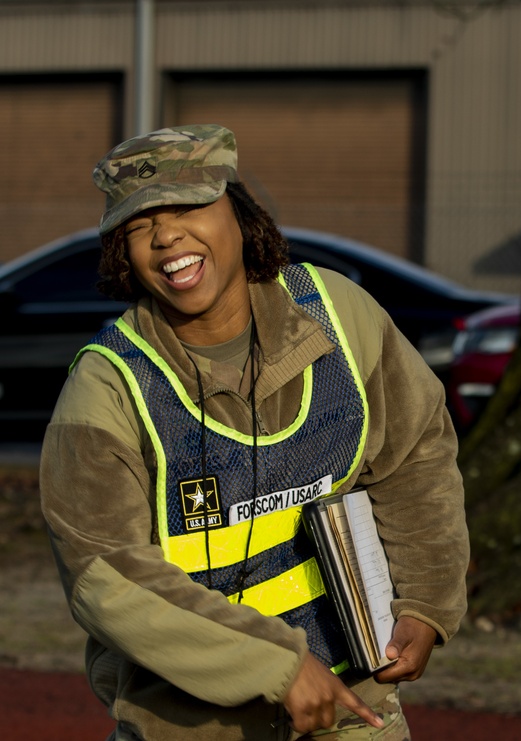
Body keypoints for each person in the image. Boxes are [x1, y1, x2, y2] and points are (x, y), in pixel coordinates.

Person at [39, 123, 470, 740]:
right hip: (188, 726)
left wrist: (427, 603)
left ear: (240, 214)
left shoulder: (338, 314)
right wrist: (279, 667)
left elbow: (416, 456)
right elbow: (106, 577)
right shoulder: (107, 387)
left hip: (353, 706)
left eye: (188, 206)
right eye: (137, 227)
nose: (165, 236)